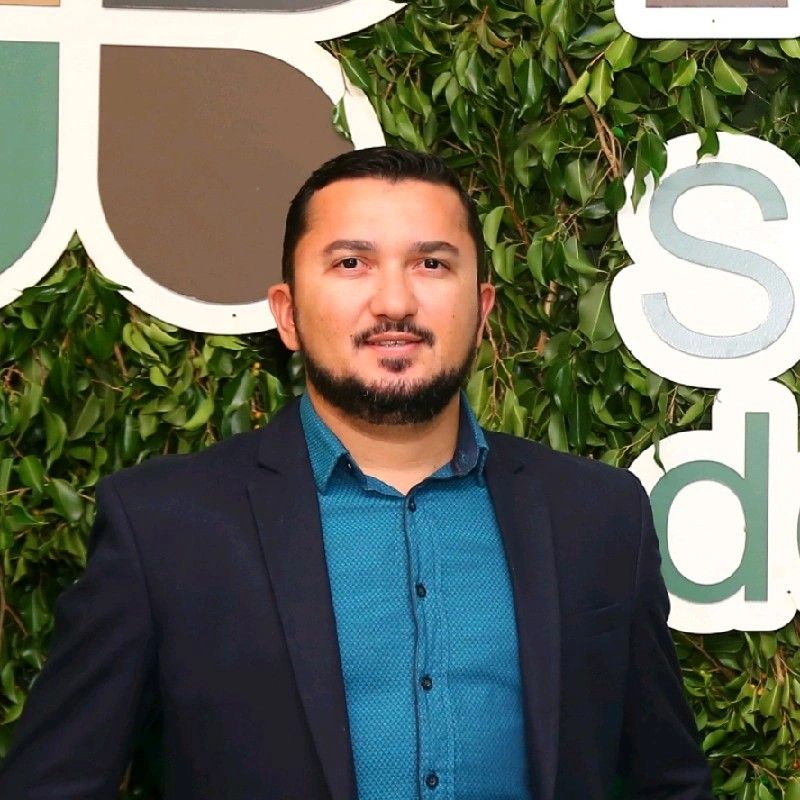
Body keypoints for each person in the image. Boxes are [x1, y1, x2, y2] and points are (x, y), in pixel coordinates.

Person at [0, 147, 712, 799]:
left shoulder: (599, 515)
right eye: (351, 263)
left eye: (431, 264)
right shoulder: (164, 529)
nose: (394, 302)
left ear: (482, 309)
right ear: (287, 314)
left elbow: (668, 782)